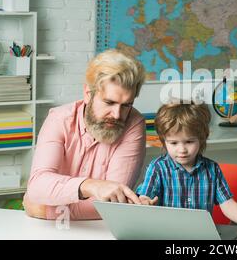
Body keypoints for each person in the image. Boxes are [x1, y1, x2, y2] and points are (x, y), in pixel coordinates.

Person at [23, 49, 153, 220]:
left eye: (126, 105)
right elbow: (38, 187)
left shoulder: (134, 124)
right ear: (87, 94)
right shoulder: (59, 119)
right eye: (109, 102)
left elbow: (112, 206)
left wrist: (44, 210)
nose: (117, 114)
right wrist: (91, 186)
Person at [136, 102, 237, 229]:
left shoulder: (212, 169)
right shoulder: (157, 168)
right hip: (167, 234)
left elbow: (227, 203)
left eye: (189, 141)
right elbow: (145, 196)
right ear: (164, 141)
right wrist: (144, 202)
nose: (182, 149)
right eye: (174, 143)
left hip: (202, 233)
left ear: (202, 138)